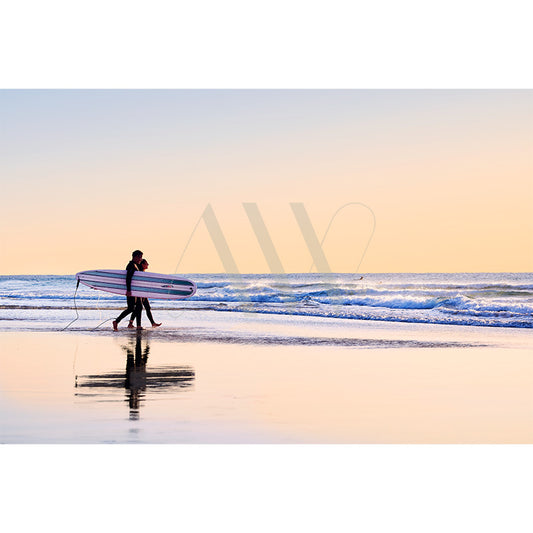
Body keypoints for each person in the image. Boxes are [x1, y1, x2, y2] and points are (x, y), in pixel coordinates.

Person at [113, 250, 144, 331]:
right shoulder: (131, 265)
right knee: (131, 308)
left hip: (135, 290)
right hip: (131, 290)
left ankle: (138, 326)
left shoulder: (136, 265)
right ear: (136, 257)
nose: (141, 259)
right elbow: (128, 278)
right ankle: (116, 321)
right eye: (140, 257)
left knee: (139, 306)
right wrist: (128, 290)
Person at [127, 259, 161, 329]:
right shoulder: (139, 272)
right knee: (138, 308)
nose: (148, 265)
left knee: (147, 308)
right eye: (146, 263)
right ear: (142, 264)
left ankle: (153, 323)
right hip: (140, 294)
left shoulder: (142, 272)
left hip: (144, 294)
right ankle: (131, 323)